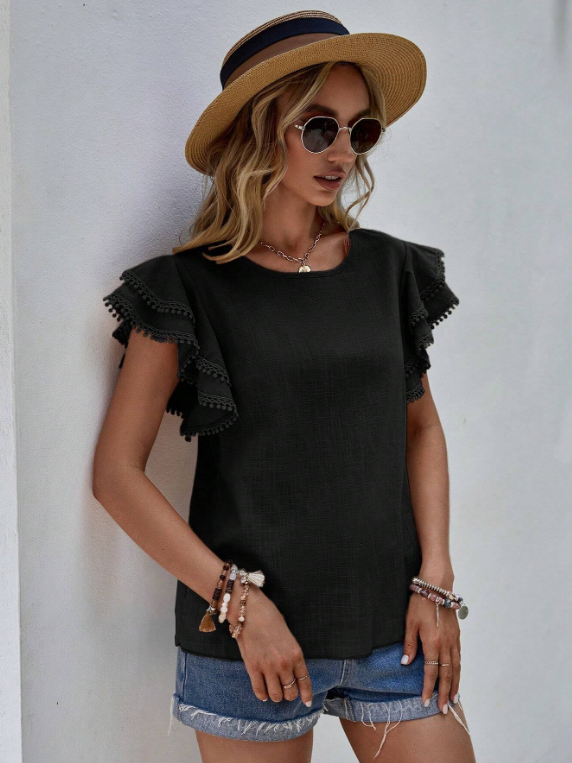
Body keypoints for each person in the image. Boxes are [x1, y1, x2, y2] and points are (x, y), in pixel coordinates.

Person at [93, 11, 477, 763]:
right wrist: (238, 602)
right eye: (319, 127)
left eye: (361, 131)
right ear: (259, 129)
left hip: (395, 631)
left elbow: (421, 426)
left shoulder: (388, 270)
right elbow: (116, 475)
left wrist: (436, 577)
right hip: (249, 643)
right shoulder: (184, 290)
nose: (343, 152)